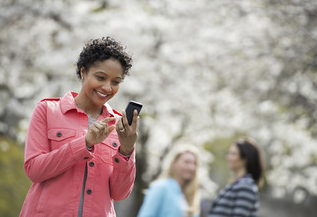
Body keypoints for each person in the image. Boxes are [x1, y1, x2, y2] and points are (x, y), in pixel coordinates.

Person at [19, 37, 139, 217]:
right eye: (100, 77)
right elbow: (34, 171)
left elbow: (120, 193)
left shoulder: (119, 127)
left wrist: (127, 150)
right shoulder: (47, 111)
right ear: (83, 71)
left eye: (116, 82)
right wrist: (84, 143)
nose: (107, 87)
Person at [137, 145, 200, 217]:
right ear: (174, 163)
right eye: (186, 162)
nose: (191, 167)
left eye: (194, 163)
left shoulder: (191, 195)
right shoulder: (160, 187)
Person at [207, 138, 264, 217]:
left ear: (245, 159)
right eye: (229, 153)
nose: (228, 157)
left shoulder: (245, 186)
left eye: (233, 154)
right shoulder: (238, 184)